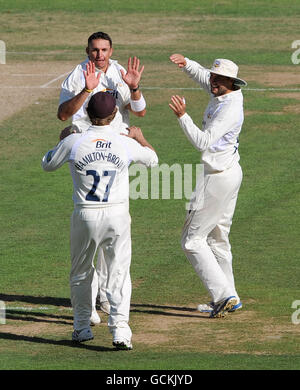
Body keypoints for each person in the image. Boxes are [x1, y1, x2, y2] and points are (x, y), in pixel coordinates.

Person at [42, 92, 158, 349]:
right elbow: (153, 160)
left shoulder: (74, 140)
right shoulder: (123, 142)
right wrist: (140, 138)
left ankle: (82, 328)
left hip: (85, 214)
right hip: (116, 215)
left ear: (87, 114)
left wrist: (60, 142)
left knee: (81, 272)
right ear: (114, 115)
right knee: (118, 272)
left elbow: (47, 164)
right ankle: (120, 331)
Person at [57, 31, 147, 321]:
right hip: (85, 151)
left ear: (111, 50)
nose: (99, 55)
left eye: (104, 50)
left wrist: (134, 89)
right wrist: (85, 90)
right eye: (94, 50)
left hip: (116, 151)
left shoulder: (121, 72)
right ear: (87, 50)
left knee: (111, 230)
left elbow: (141, 112)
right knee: (94, 231)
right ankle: (93, 307)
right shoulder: (76, 75)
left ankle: (108, 301)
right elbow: (62, 115)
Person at [169, 54, 246, 318]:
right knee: (217, 238)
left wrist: (183, 117)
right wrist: (187, 63)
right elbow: (204, 78)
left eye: (217, 78)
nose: (212, 81)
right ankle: (230, 297)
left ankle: (224, 296)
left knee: (191, 240)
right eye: (212, 76)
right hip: (229, 172)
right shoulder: (224, 92)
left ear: (231, 82)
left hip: (216, 178)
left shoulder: (229, 109)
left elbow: (204, 142)